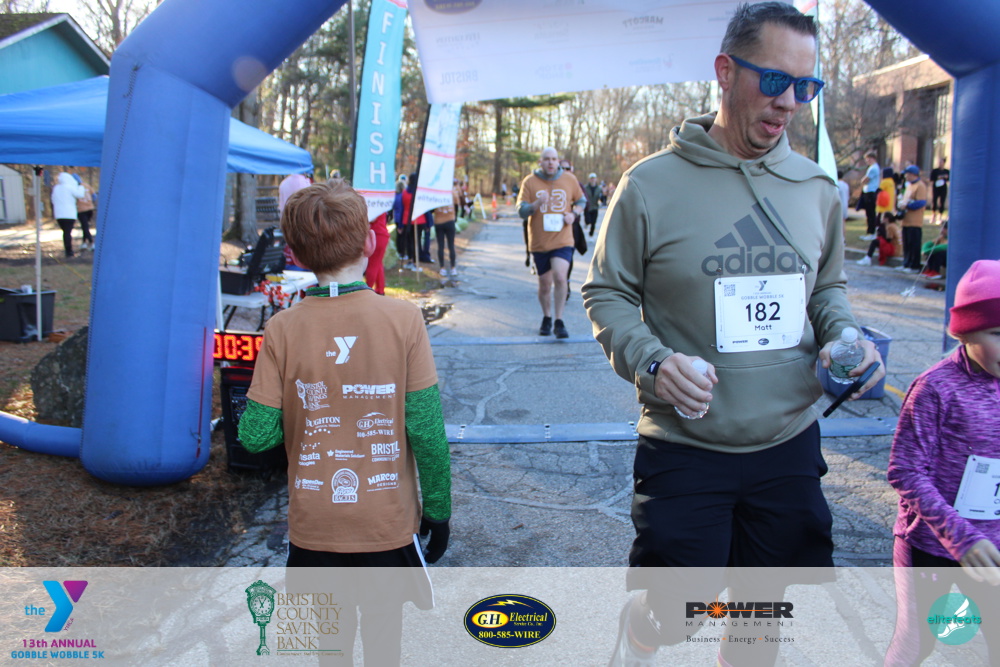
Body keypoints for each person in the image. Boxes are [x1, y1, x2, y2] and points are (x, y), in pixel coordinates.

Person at [581, 4, 885, 666]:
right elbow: (607, 292)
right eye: (774, 80)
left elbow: (827, 288)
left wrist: (844, 337)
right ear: (725, 71)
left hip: (787, 440)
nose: (790, 103)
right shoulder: (649, 185)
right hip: (686, 442)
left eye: (806, 86)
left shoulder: (816, 188)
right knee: (676, 615)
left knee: (758, 614)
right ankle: (641, 633)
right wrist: (653, 361)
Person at [237, 180, 451, 663]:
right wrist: (438, 510)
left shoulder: (282, 328)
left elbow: (255, 436)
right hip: (385, 523)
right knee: (383, 647)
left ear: (295, 254)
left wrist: (306, 412)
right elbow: (426, 432)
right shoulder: (404, 320)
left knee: (329, 649)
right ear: (370, 242)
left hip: (314, 525)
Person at [884, 259, 1000, 666]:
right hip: (930, 544)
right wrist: (960, 536)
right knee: (918, 642)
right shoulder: (936, 387)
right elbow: (904, 471)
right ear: (965, 331)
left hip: (993, 546)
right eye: (998, 333)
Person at [516, 147, 585, 339]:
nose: (551, 162)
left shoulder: (569, 179)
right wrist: (536, 204)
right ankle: (547, 317)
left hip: (563, 240)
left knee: (561, 277)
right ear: (540, 162)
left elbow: (581, 201)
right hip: (539, 242)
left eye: (554, 159)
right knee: (545, 284)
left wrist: (574, 214)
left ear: (558, 161)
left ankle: (559, 321)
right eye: (547, 159)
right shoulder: (530, 181)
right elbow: (521, 211)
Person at [896, 165, 927, 274]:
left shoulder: (920, 186)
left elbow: (921, 202)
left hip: (915, 221)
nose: (906, 176)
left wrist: (908, 205)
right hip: (906, 220)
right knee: (907, 244)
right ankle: (906, 263)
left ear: (913, 174)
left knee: (914, 244)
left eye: (907, 174)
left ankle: (914, 265)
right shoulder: (909, 185)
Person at [51, 172, 86, 258]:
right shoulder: (70, 187)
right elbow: (80, 194)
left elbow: (53, 199)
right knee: (68, 232)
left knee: (65, 232)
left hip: (59, 215)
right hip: (69, 214)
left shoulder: (56, 188)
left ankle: (68, 250)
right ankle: (69, 251)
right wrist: (81, 186)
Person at [433, 182, 461, 277]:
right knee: (451, 245)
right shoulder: (452, 192)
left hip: (439, 221)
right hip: (450, 220)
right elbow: (457, 205)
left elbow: (432, 209)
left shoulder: (436, 194)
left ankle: (442, 268)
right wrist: (454, 216)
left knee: (440, 245)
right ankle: (453, 267)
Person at [859, 151, 881, 240]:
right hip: (870, 191)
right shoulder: (874, 167)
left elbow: (865, 180)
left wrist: (862, 181)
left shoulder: (873, 168)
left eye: (868, 159)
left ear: (872, 158)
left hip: (871, 192)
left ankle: (872, 232)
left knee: (870, 213)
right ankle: (870, 231)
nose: (866, 161)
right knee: (870, 213)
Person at [75, 179, 97, 251]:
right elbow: (94, 196)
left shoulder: (75, 187)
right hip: (90, 208)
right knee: (85, 226)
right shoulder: (87, 186)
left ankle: (92, 242)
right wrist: (90, 202)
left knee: (85, 226)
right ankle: (84, 243)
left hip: (81, 209)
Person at [929, 157, 950, 225]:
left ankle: (940, 216)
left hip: (943, 187)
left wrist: (945, 178)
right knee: (934, 201)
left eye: (941, 162)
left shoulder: (947, 171)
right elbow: (931, 180)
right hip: (936, 187)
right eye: (939, 162)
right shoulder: (935, 171)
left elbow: (949, 180)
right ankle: (933, 215)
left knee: (942, 201)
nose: (940, 163)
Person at [583, 172, 603, 237]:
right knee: (588, 221)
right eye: (591, 178)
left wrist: (601, 199)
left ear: (596, 179)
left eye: (594, 178)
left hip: (595, 207)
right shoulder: (585, 188)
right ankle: (586, 224)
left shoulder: (599, 189)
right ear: (589, 179)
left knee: (593, 222)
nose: (593, 180)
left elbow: (601, 197)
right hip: (587, 207)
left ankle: (591, 235)